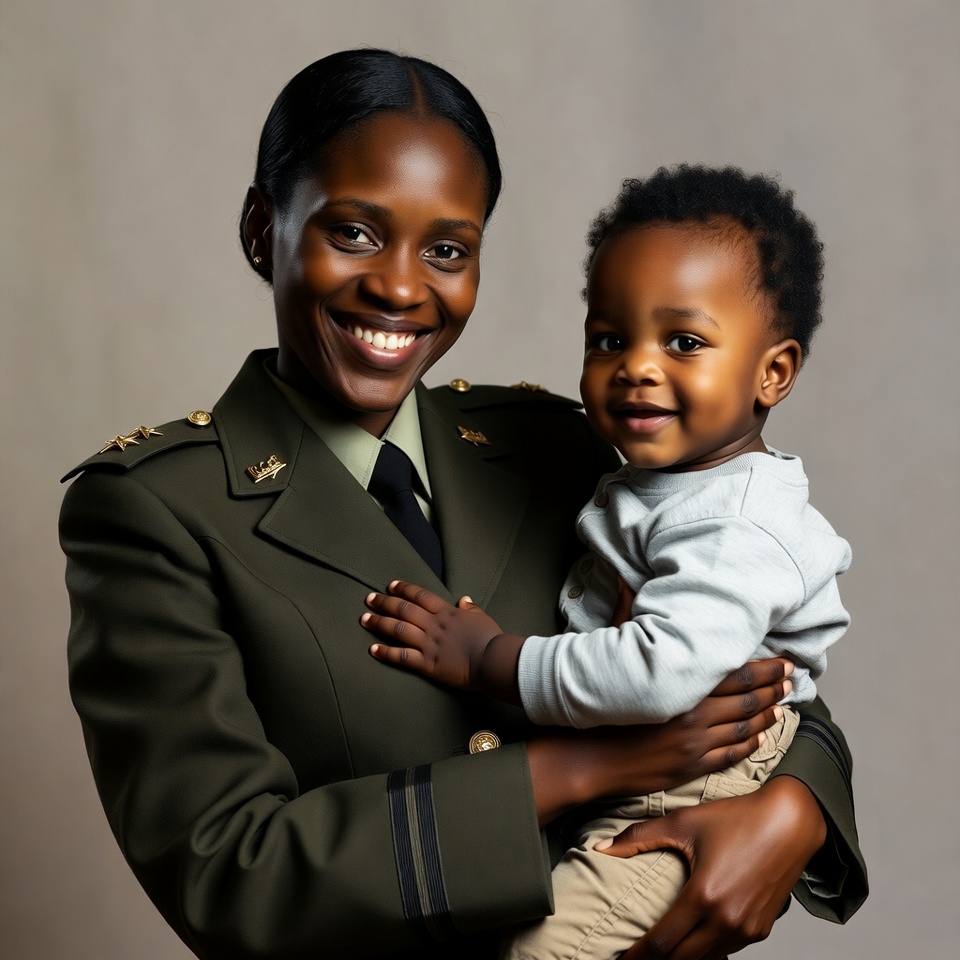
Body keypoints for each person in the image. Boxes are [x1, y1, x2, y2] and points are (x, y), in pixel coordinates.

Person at [59, 50, 866, 960]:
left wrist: (794, 811)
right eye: (354, 233)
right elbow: (227, 872)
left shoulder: (555, 445)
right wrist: (579, 769)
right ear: (261, 230)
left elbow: (746, 652)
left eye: (446, 249)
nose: (402, 287)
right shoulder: (157, 510)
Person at [361, 164, 853, 959]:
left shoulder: (732, 520)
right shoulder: (657, 481)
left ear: (774, 373)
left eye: (684, 341)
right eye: (609, 339)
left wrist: (493, 660)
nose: (638, 365)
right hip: (641, 776)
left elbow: (667, 674)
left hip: (697, 782)